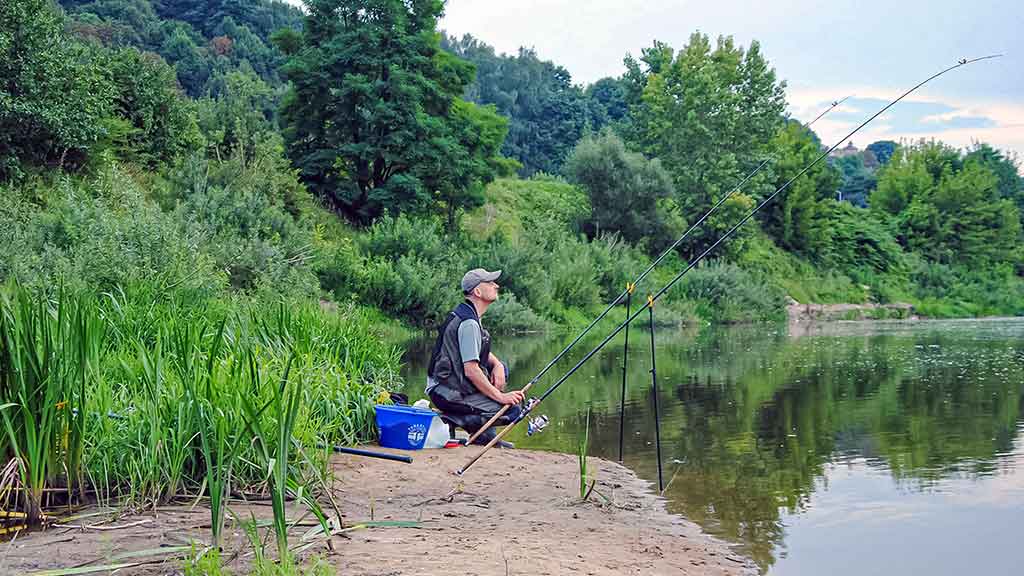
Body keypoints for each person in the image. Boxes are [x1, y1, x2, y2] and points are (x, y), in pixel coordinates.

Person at [426, 268, 525, 446]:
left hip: (449, 388)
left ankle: (484, 434)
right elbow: (471, 370)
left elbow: (473, 350)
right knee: (513, 410)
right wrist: (501, 397)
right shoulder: (469, 323)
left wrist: (497, 365)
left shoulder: (468, 315)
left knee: (503, 367)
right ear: (478, 291)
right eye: (490, 283)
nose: (496, 285)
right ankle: (458, 421)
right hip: (447, 393)